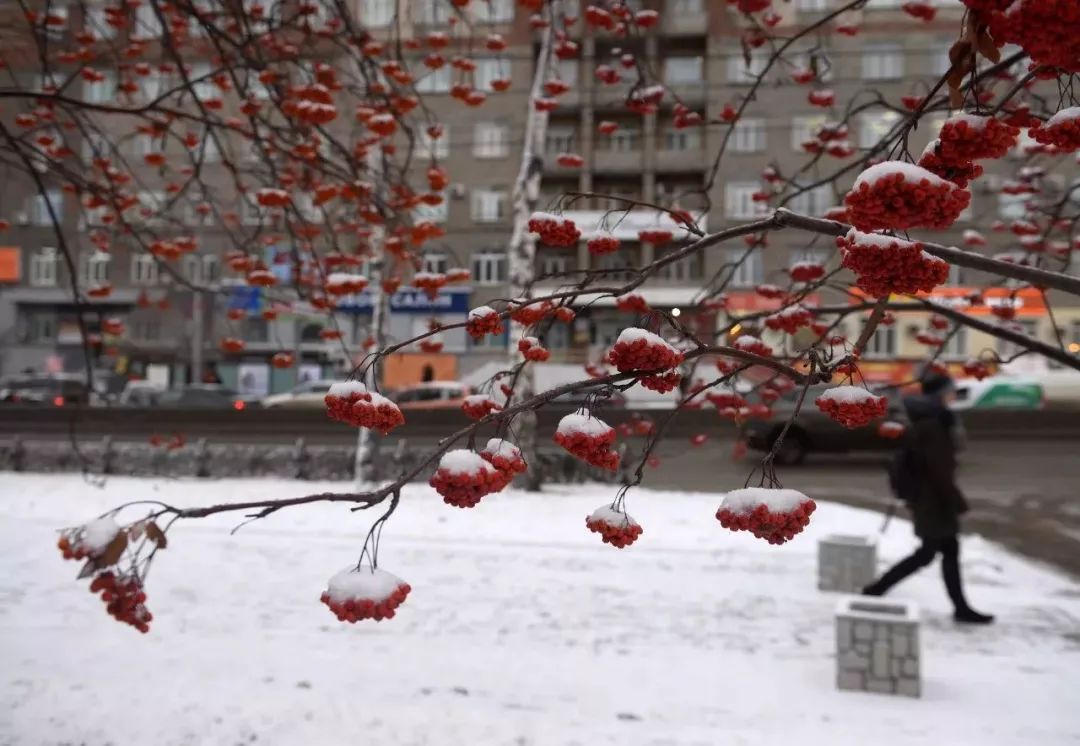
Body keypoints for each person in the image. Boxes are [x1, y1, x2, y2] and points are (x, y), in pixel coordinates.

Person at [862, 372, 994, 624]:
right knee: (928, 553)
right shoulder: (933, 425)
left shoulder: (931, 420)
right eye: (950, 390)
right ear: (940, 394)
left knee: (943, 551)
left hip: (931, 498)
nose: (954, 394)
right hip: (932, 500)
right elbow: (938, 471)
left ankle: (960, 607)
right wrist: (957, 501)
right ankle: (876, 589)